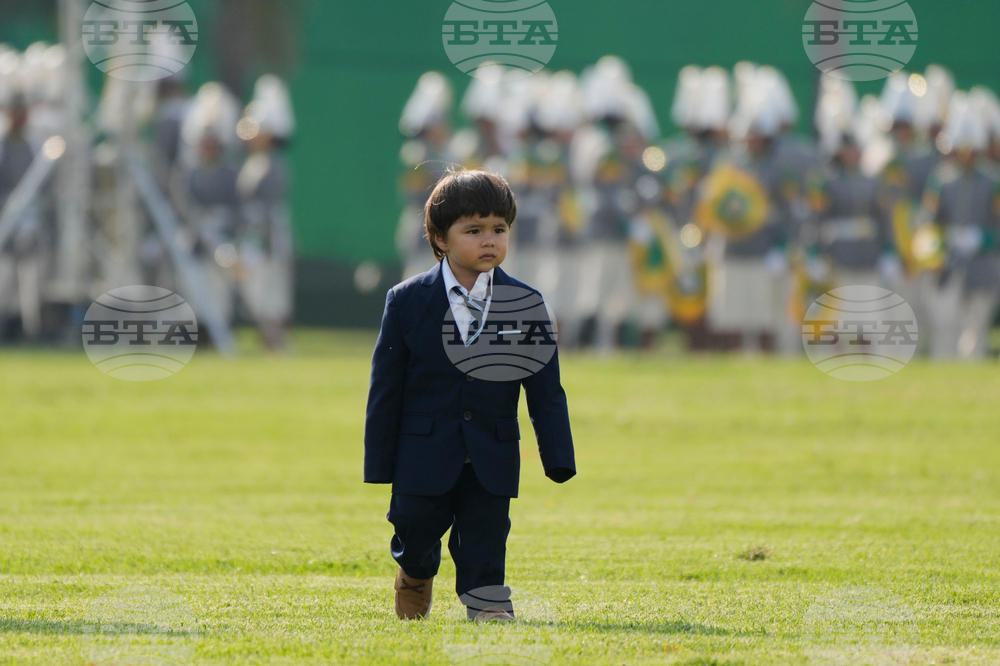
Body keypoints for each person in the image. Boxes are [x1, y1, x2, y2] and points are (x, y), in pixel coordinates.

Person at [364, 169, 575, 622]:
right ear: (440, 238)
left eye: (499, 229)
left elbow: (545, 389)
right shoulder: (405, 301)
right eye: (473, 230)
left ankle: (488, 603)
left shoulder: (527, 304)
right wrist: (379, 463)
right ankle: (415, 576)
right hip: (421, 451)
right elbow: (386, 388)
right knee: (416, 531)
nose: (489, 240)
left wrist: (558, 455)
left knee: (486, 533)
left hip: (491, 451)